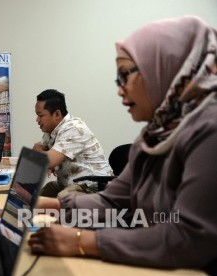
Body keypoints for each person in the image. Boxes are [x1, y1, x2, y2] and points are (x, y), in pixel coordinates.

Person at [28, 16, 217, 273]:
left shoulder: (209, 129)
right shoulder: (152, 138)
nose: (120, 89)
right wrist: (46, 205)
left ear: (163, 67)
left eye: (125, 76)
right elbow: (113, 202)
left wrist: (83, 241)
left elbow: (188, 238)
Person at [34, 89, 112, 196]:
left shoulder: (74, 128)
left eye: (40, 115)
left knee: (62, 197)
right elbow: (38, 147)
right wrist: (44, 156)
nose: (37, 120)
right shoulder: (52, 130)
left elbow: (47, 160)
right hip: (73, 184)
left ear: (57, 114)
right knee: (42, 193)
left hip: (93, 186)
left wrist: (47, 159)